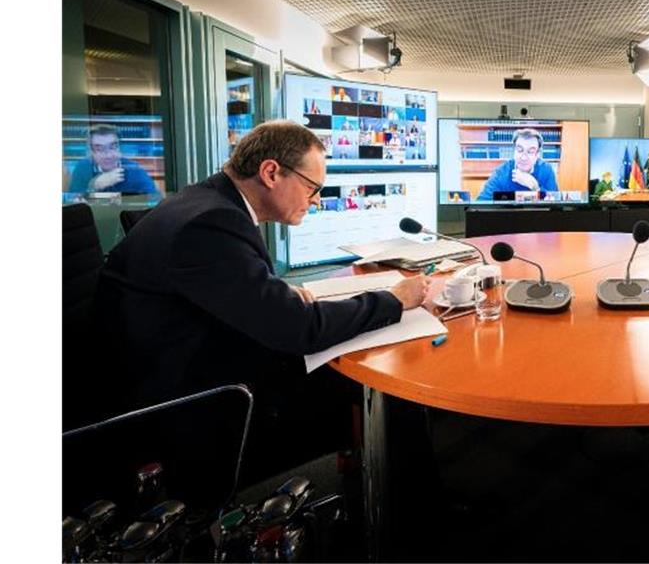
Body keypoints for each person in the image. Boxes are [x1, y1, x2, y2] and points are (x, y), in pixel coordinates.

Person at [95, 120, 431, 482]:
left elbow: (228, 289)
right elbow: (300, 329)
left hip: (187, 364)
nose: (316, 200)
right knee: (383, 381)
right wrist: (393, 300)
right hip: (199, 405)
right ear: (271, 172)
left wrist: (275, 296)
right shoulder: (211, 223)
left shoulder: (207, 203)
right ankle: (408, 515)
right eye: (312, 187)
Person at [67, 124, 159, 195]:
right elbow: (73, 203)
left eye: (112, 147)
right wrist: (94, 186)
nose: (108, 155)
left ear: (120, 149)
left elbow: (153, 200)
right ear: (91, 152)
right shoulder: (82, 168)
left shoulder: (134, 169)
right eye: (99, 149)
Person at [477, 128, 559, 200]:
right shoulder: (501, 172)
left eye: (530, 152)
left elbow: (556, 204)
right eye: (519, 150)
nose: (523, 157)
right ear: (514, 151)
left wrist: (535, 188)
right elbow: (482, 203)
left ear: (537, 154)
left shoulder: (546, 170)